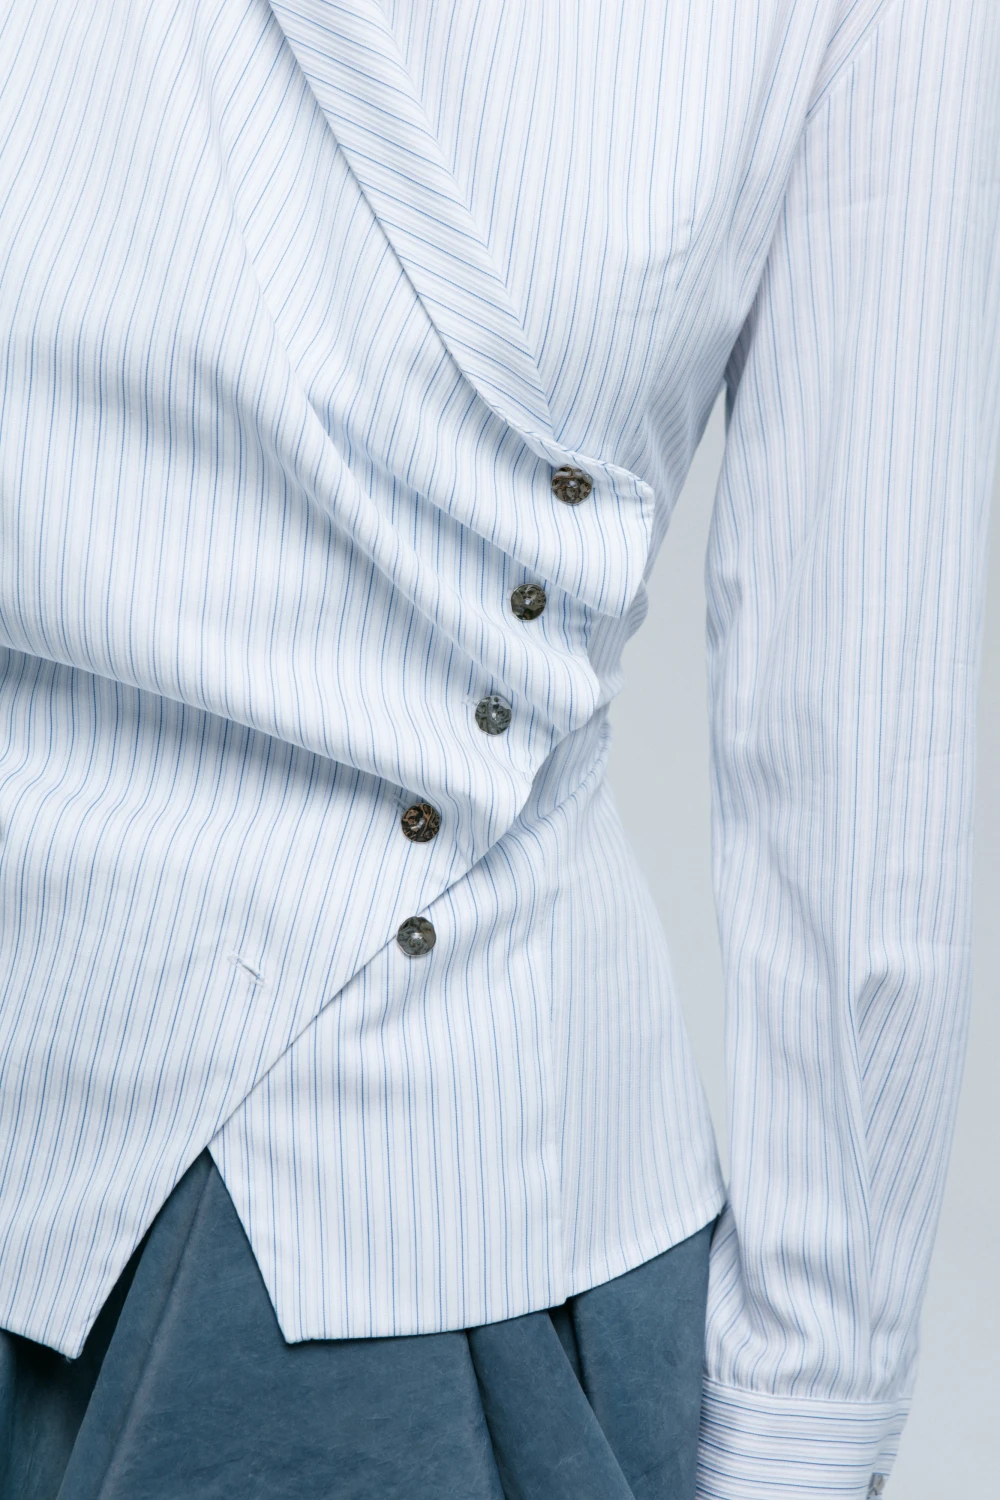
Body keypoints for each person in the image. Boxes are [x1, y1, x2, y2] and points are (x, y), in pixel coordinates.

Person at [0, 2, 997, 1496]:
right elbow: (858, 728)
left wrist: (810, 1418)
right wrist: (808, 1421)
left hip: (394, 1222)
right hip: (421, 1219)